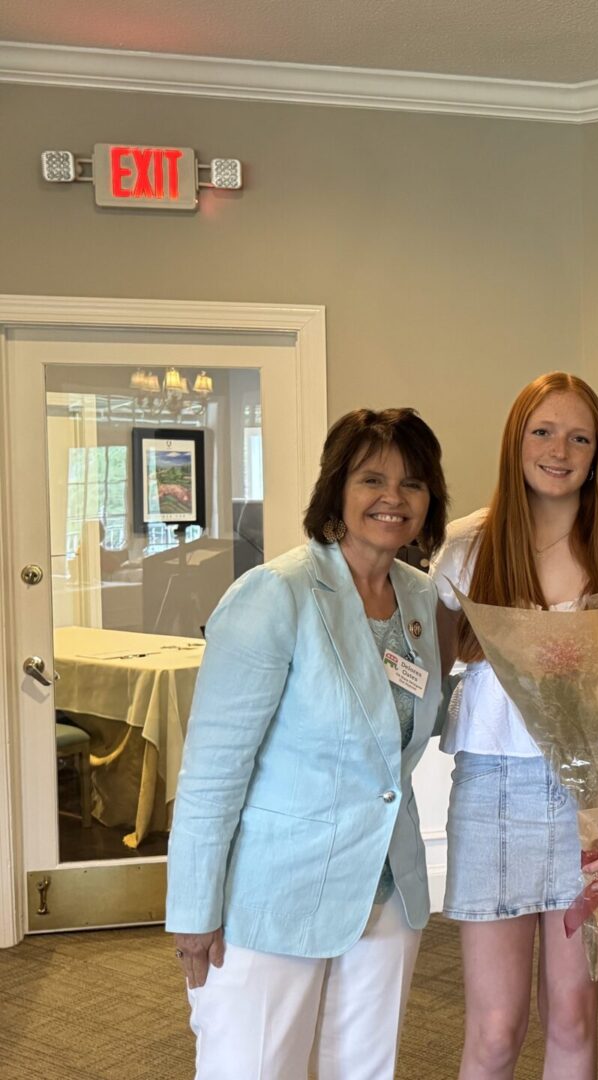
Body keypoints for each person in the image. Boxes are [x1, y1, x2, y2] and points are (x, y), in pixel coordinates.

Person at [167, 407, 450, 1079]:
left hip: (385, 890)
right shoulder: (276, 594)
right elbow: (213, 770)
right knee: (256, 1067)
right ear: (337, 492)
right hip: (276, 892)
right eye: (371, 479)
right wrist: (193, 907)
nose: (393, 498)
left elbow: (408, 730)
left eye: (413, 483)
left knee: (364, 1069)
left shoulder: (420, 599)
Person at [431, 372, 598, 1080]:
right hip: (490, 796)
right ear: (516, 441)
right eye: (543, 431)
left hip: (587, 807)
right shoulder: (465, 552)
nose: (559, 449)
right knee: (496, 1026)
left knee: (572, 1016)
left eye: (579, 437)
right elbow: (424, 673)